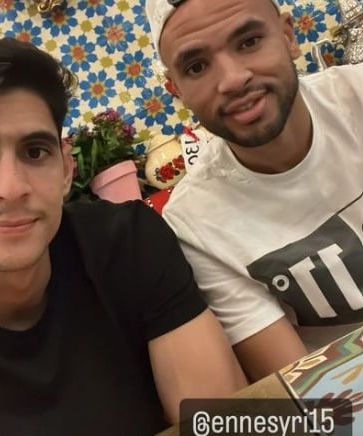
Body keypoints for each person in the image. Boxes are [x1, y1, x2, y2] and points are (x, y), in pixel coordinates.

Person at [0, 38, 247, 435]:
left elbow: (222, 423)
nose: (11, 188)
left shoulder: (128, 244)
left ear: (65, 169)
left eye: (35, 152)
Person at [145, 0, 363, 382]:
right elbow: (305, 386)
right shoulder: (196, 223)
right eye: (196, 66)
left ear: (288, 36)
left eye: (248, 42)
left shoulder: (356, 96)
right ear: (176, 90)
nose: (232, 79)